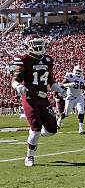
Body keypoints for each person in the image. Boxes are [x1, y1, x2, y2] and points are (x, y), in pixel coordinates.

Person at [11, 38, 64, 166]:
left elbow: (51, 81)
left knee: (52, 130)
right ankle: (29, 156)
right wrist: (18, 86)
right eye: (37, 45)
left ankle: (34, 137)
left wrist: (59, 89)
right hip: (30, 97)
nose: (40, 48)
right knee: (36, 128)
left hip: (43, 98)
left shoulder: (47, 60)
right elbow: (15, 79)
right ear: (29, 46)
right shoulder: (24, 59)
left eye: (41, 45)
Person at [57, 65, 85, 134]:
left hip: (79, 96)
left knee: (81, 111)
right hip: (70, 97)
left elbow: (81, 86)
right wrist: (69, 84)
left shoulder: (82, 77)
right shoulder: (70, 75)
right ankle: (59, 120)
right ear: (74, 70)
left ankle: (81, 128)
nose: (78, 72)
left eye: (79, 71)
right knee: (67, 113)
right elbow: (62, 84)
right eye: (77, 71)